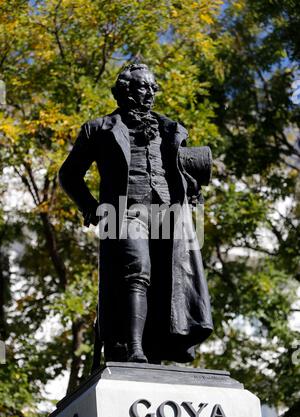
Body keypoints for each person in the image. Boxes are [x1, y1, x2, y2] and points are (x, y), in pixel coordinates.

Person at [59, 64, 213, 369]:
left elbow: (180, 173)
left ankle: (157, 347)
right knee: (138, 269)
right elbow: (69, 174)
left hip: (167, 214)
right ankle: (132, 349)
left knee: (167, 280)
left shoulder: (168, 128)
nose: (152, 94)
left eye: (154, 88)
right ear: (126, 90)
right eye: (145, 87)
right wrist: (90, 206)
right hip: (125, 212)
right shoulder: (99, 129)